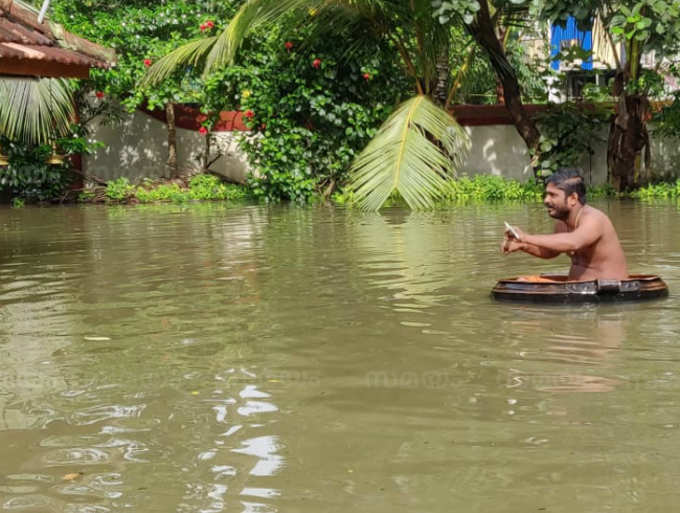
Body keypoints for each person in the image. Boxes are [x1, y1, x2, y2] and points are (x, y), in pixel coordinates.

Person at [501, 168, 628, 280]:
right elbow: (550, 252)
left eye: (553, 195)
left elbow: (574, 242)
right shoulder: (562, 223)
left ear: (573, 198)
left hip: (608, 296)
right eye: (546, 194)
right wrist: (522, 245)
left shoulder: (594, 219)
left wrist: (525, 237)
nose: (546, 200)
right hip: (578, 293)